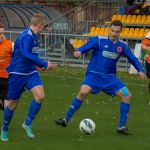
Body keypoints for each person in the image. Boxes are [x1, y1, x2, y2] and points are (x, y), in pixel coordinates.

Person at [55, 20, 146, 136]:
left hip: (110, 79)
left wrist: (140, 70)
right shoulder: (99, 40)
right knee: (83, 91)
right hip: (93, 75)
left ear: (120, 32)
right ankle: (65, 120)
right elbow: (86, 46)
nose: (114, 33)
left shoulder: (122, 46)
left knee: (127, 95)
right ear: (109, 29)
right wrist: (79, 51)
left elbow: (133, 58)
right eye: (112, 30)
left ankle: (121, 127)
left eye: (117, 32)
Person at [0, 13, 55, 142]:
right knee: (12, 104)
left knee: (40, 96)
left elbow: (32, 55)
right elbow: (25, 54)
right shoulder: (26, 36)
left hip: (30, 72)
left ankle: (27, 123)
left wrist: (40, 66)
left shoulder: (36, 36)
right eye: (43, 27)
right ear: (39, 25)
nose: (43, 29)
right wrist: (43, 63)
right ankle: (5, 128)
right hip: (17, 74)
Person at [0, 23, 13, 111]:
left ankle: (5, 125)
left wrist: (40, 65)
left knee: (7, 105)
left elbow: (22, 56)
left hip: (7, 78)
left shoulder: (10, 44)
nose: (2, 36)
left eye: (2, 33)